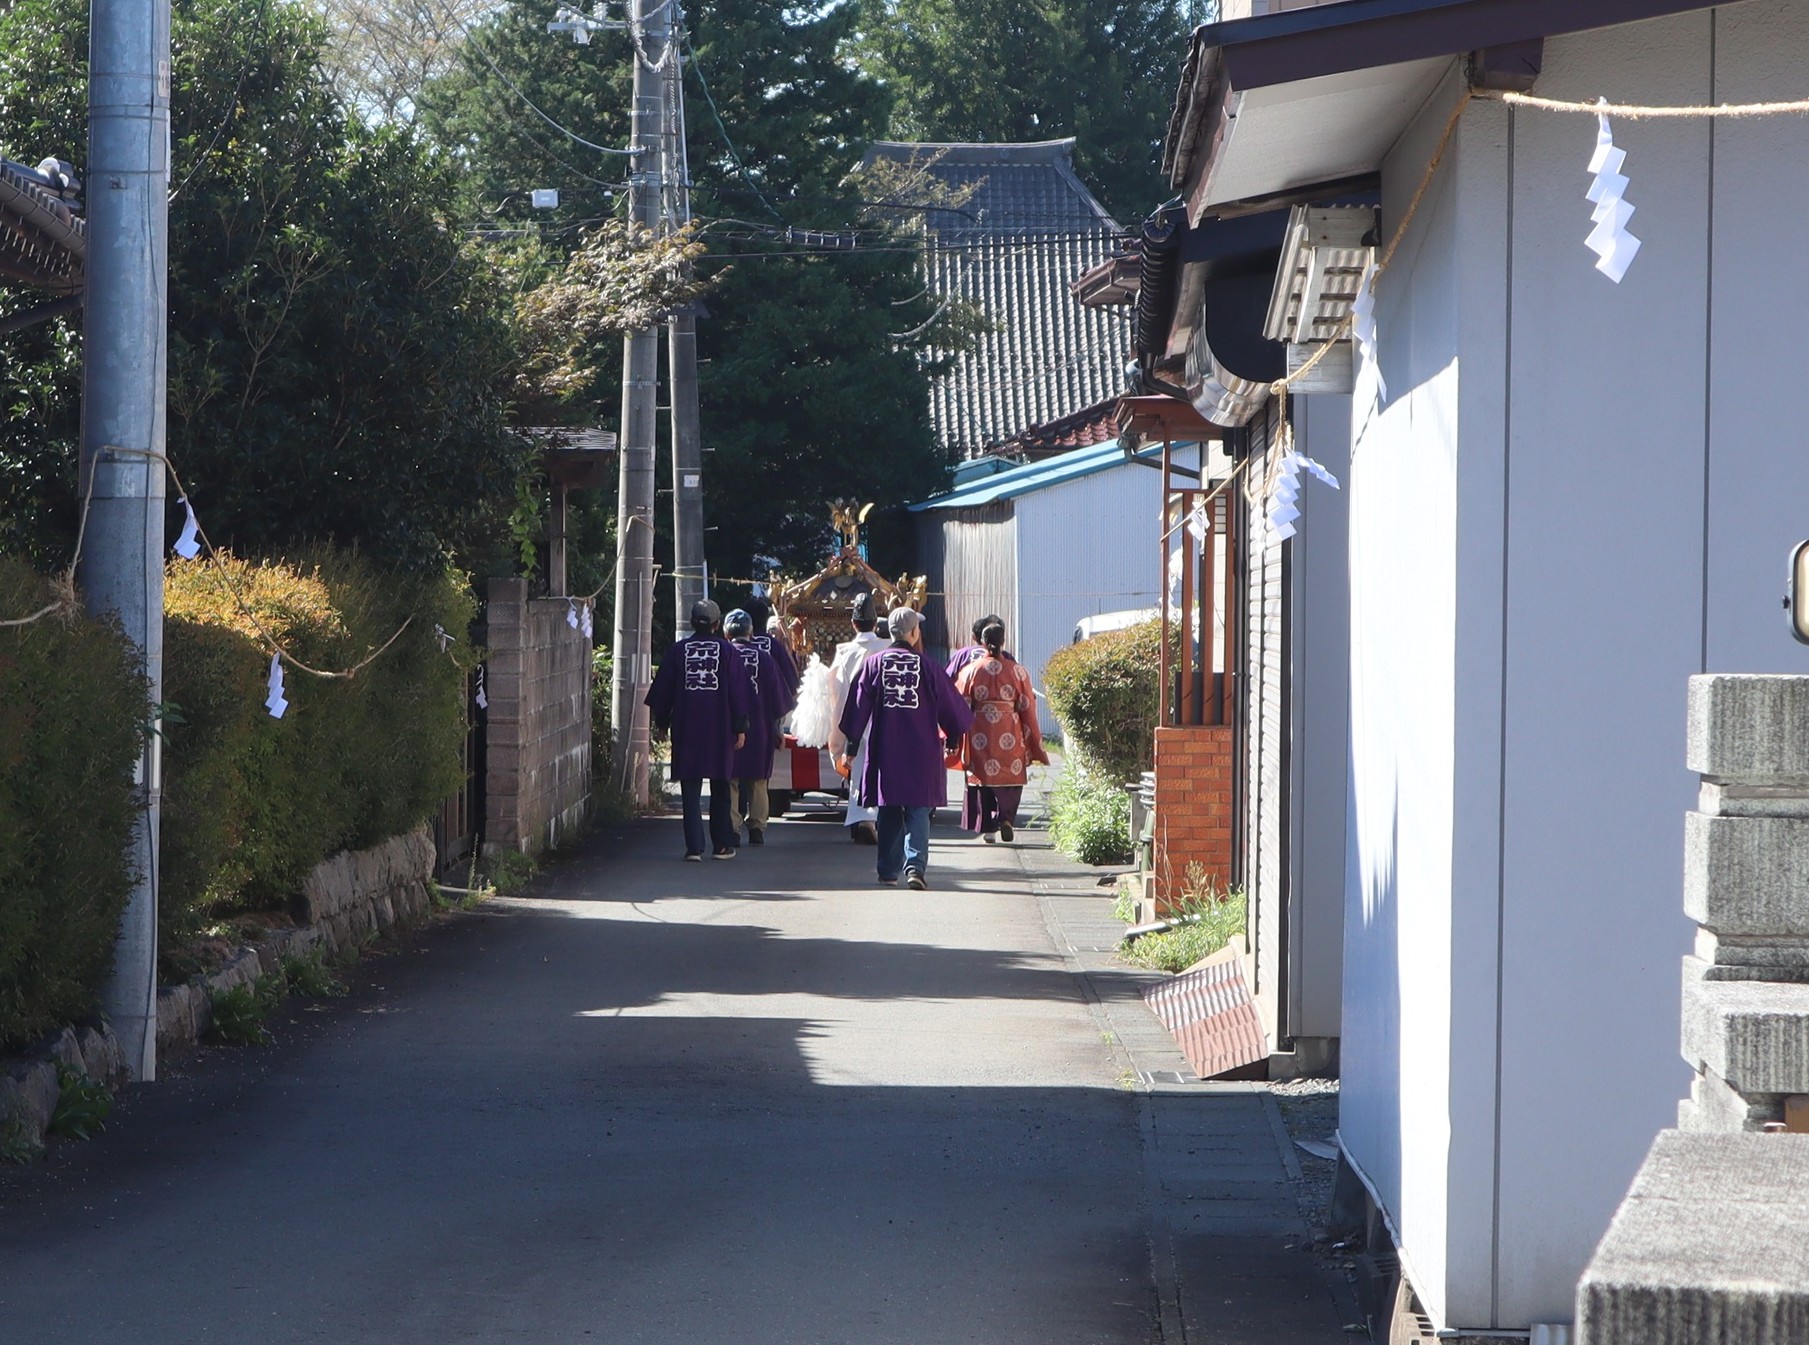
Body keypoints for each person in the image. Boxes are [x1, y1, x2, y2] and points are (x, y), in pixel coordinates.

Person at [837, 607, 973, 890]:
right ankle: (915, 868)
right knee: (918, 809)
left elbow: (858, 707)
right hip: (922, 749)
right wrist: (954, 738)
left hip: (887, 749)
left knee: (889, 808)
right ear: (913, 633)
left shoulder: (874, 664)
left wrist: (850, 747)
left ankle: (888, 871)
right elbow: (950, 707)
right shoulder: (928, 666)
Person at [644, 599, 749, 861]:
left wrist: (662, 723)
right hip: (720, 729)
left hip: (686, 728)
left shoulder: (678, 651)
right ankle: (722, 845)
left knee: (690, 789)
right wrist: (740, 727)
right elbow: (738, 692)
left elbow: (663, 692)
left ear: (692, 622)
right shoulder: (727, 652)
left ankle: (694, 848)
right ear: (717, 624)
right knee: (721, 786)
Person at [955, 617, 1049, 843]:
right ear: (1004, 641)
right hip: (1010, 728)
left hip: (979, 731)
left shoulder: (971, 670)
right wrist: (1031, 738)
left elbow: (961, 704)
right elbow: (1027, 705)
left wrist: (956, 736)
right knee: (1011, 777)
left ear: (982, 642)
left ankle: (988, 828)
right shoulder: (1017, 671)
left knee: (981, 778)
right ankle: (1006, 818)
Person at [724, 608, 795, 846]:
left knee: (731, 779)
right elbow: (778, 698)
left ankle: (732, 828)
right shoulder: (765, 657)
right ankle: (757, 827)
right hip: (761, 727)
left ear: (726, 633)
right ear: (751, 632)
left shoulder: (724, 655)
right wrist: (778, 730)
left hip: (730, 727)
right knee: (758, 780)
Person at [826, 593, 890, 845]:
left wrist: (840, 726)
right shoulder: (886, 648)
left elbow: (837, 690)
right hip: (885, 717)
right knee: (885, 769)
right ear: (876, 623)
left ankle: (864, 818)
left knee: (858, 769)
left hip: (855, 717)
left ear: (853, 623)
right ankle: (883, 817)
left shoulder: (844, 652)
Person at [946, 613, 1002, 682]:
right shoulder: (1006, 657)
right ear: (1002, 640)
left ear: (974, 637)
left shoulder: (962, 655)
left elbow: (946, 680)